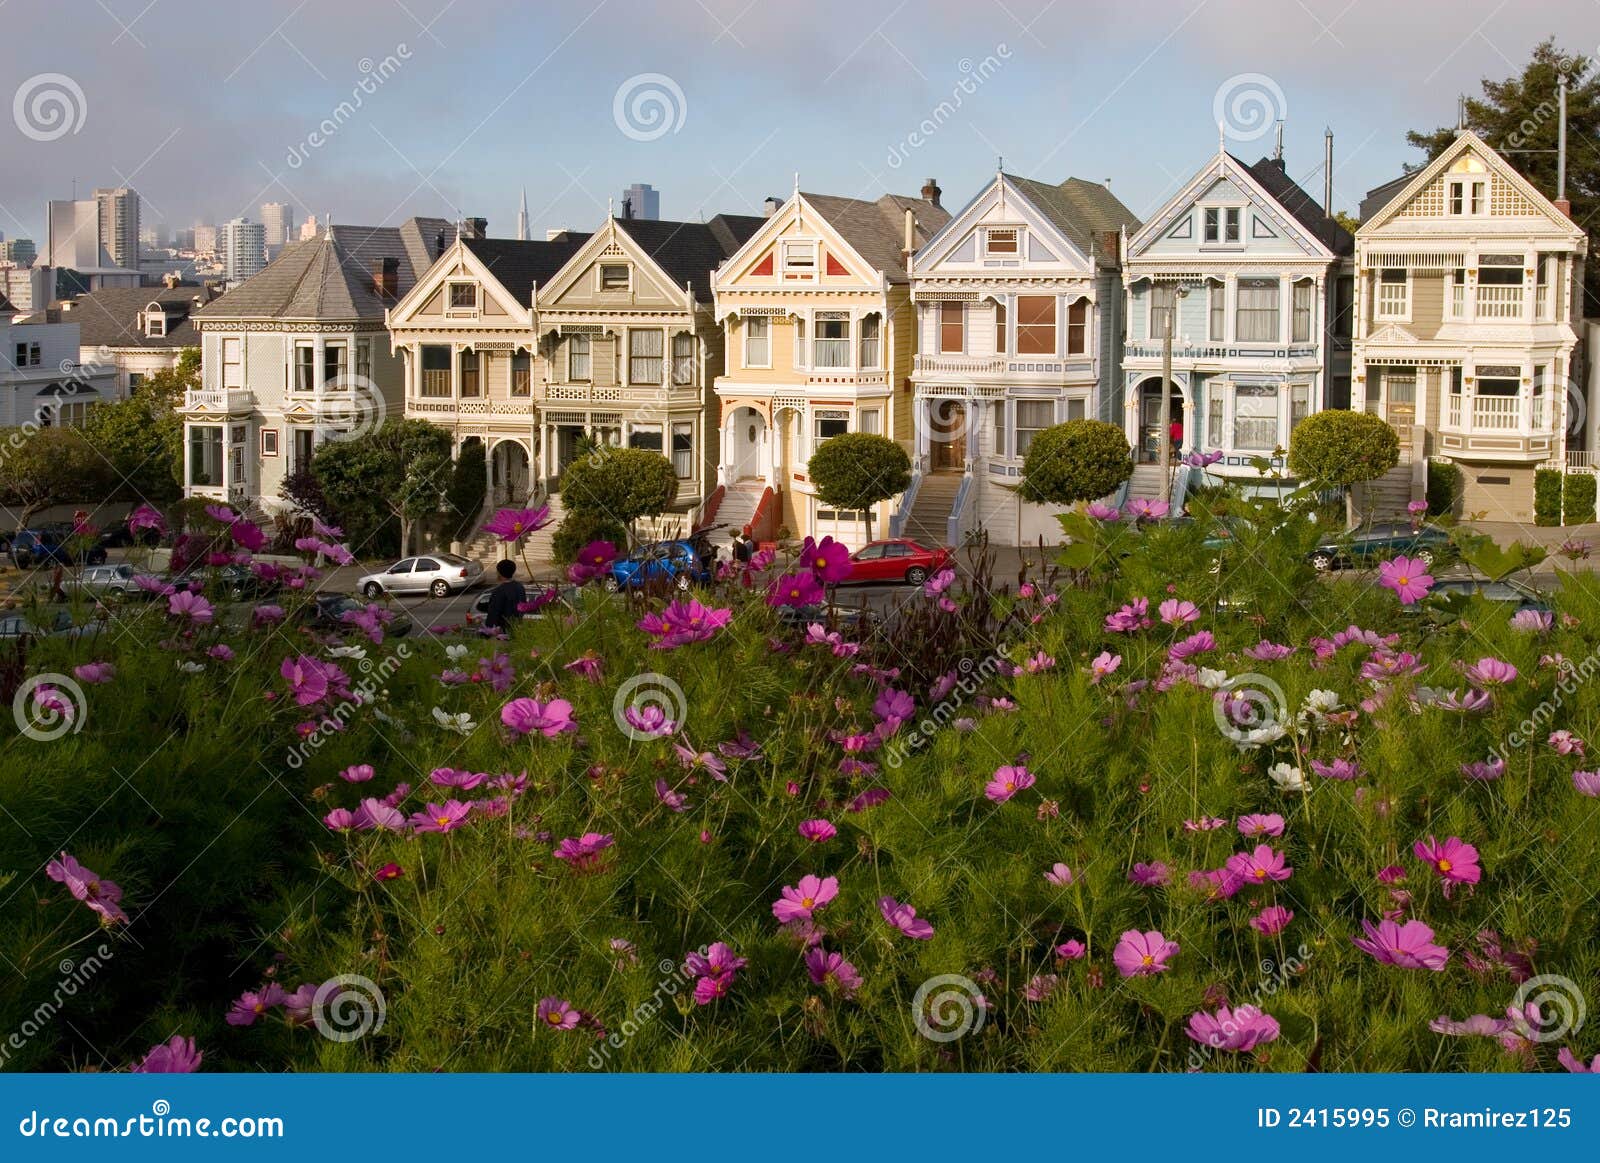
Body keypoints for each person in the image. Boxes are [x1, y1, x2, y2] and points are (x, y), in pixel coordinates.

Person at [483, 560, 526, 632]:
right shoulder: (520, 587)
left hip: (503, 631)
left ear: (499, 573)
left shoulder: (499, 591)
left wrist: (488, 631)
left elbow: (493, 614)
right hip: (517, 629)